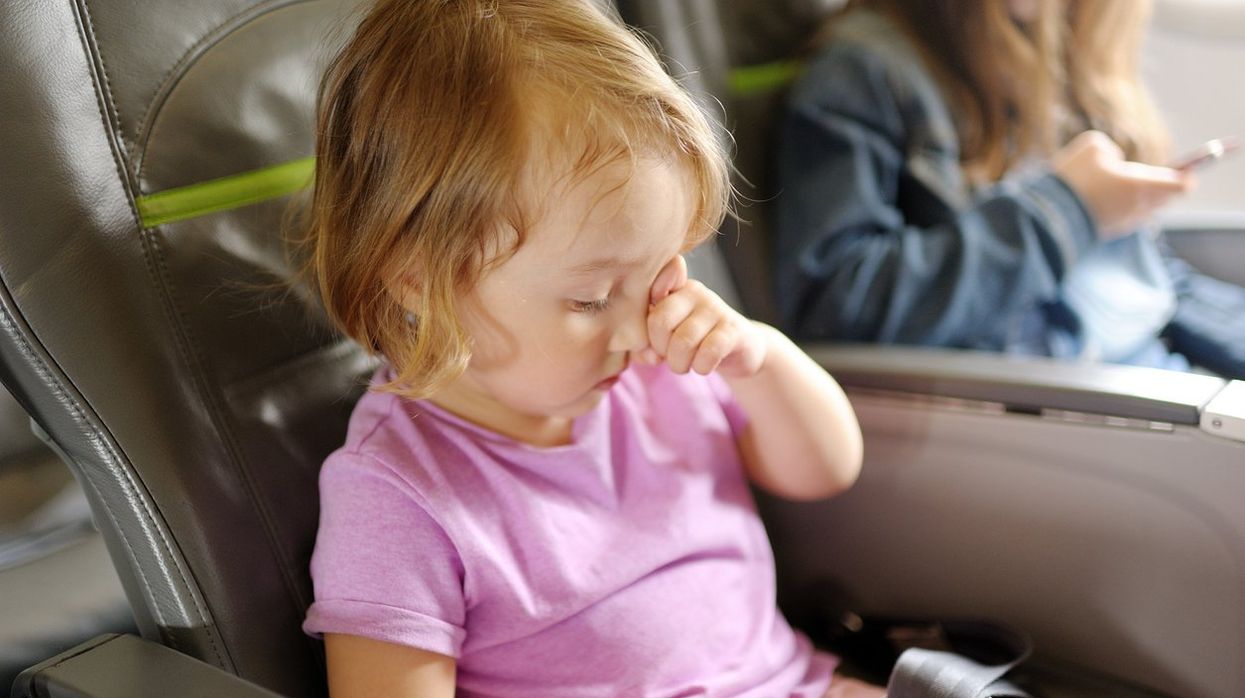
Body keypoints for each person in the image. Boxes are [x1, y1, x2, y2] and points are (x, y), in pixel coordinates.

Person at [298, 1, 878, 696]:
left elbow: (825, 470)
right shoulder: (396, 494)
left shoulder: (664, 364)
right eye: (590, 300)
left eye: (660, 273)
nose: (638, 330)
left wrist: (758, 360)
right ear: (418, 279)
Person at [773, 0, 1245, 377]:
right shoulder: (863, 72)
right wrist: (1070, 209)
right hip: (1059, 399)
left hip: (1138, 368)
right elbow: (835, 307)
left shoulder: (1049, 54)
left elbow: (1149, 290)